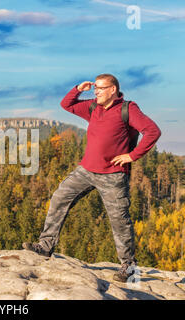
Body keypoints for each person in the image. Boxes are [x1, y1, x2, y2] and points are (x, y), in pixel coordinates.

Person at [22, 74, 161, 282]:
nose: (96, 92)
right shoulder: (92, 107)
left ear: (112, 90)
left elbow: (152, 131)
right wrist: (79, 88)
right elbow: (66, 104)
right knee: (59, 199)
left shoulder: (128, 109)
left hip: (113, 175)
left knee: (119, 220)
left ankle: (129, 268)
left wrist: (132, 156)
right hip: (85, 170)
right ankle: (45, 247)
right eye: (94, 88)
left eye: (100, 88)